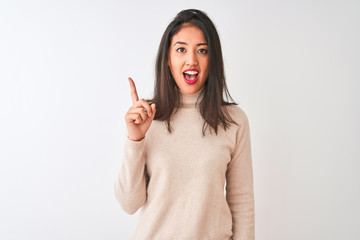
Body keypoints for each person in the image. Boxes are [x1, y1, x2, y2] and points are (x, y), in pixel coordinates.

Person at [114, 9, 255, 240]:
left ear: (213, 60)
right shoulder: (146, 118)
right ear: (168, 59)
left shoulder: (234, 121)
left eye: (202, 50)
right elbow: (129, 204)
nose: (192, 60)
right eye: (181, 49)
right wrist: (135, 139)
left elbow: (242, 202)